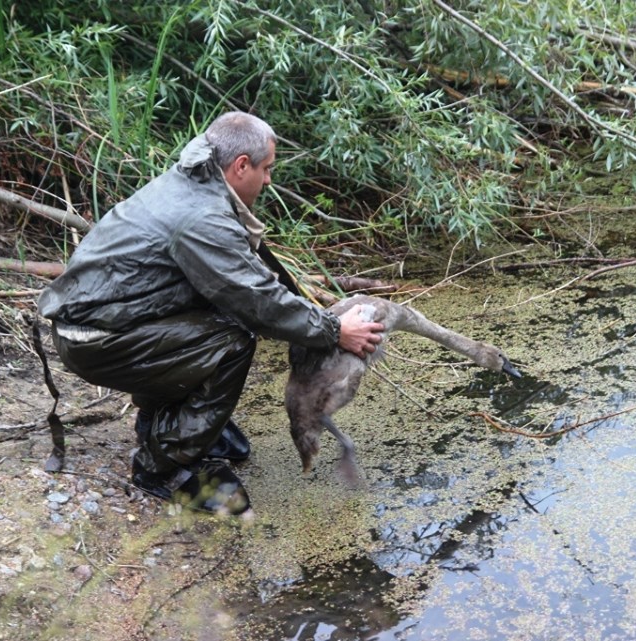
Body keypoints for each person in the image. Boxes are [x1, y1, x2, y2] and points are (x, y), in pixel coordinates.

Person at [37, 111, 384, 515]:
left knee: (212, 319)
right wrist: (334, 331)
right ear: (240, 166)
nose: (269, 180)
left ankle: (166, 424)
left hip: (113, 324)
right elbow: (258, 302)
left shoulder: (195, 180)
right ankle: (165, 466)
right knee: (232, 340)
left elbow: (247, 279)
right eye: (267, 169)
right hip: (97, 340)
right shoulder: (201, 216)